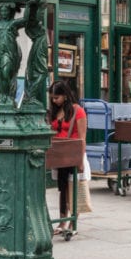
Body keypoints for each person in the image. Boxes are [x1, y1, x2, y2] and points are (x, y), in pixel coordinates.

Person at [48, 81, 86, 234]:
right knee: (62, 190)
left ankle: (72, 223)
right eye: (52, 97)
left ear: (65, 95)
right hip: (59, 155)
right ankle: (62, 222)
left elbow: (82, 137)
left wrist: (81, 160)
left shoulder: (78, 111)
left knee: (74, 189)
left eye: (56, 97)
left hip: (73, 153)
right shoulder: (54, 111)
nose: (53, 100)